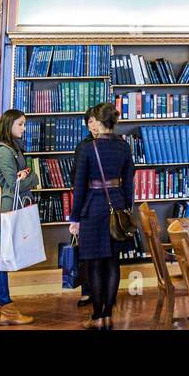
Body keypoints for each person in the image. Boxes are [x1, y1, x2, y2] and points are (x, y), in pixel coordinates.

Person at [69, 102, 135, 330]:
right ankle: (108, 313)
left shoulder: (89, 148)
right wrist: (126, 209)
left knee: (95, 264)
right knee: (114, 263)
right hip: (117, 208)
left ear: (100, 121)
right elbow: (129, 185)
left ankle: (97, 315)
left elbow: (79, 187)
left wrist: (75, 217)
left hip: (93, 209)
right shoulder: (124, 148)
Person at [0, 108, 38, 326]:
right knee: (2, 258)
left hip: (12, 205)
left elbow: (20, 177)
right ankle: (5, 305)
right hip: (9, 207)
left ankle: (1, 306)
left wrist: (25, 175)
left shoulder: (12, 148)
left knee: (4, 257)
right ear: (9, 125)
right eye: (20, 124)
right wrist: (33, 176)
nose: (24, 128)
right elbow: (14, 183)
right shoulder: (3, 151)